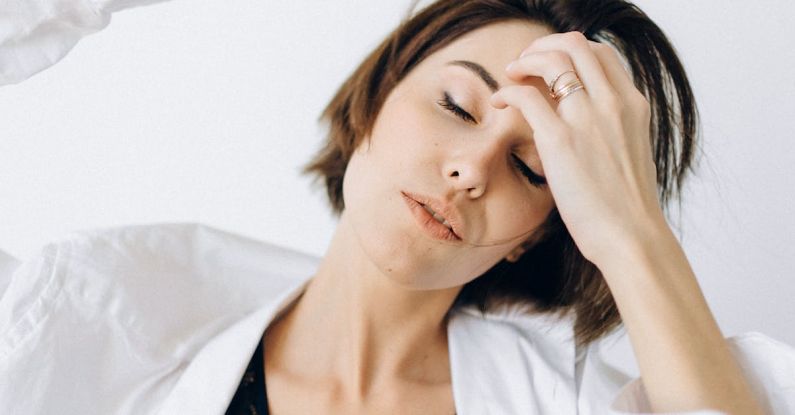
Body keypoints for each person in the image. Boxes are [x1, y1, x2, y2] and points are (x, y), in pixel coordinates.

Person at [0, 0, 793, 414]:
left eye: (532, 167)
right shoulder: (102, 313)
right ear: (373, 99)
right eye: (456, 103)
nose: (471, 167)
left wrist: (631, 232)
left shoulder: (563, 402)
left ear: (538, 235)